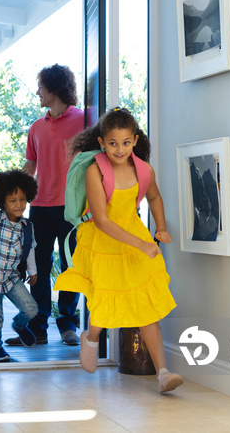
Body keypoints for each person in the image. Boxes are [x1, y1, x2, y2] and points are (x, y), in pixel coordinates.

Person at [54, 107, 183, 394]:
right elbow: (101, 220)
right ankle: (91, 337)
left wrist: (160, 228)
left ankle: (163, 372)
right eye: (112, 143)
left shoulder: (144, 170)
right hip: (102, 239)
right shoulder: (94, 170)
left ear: (135, 140)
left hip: (132, 234)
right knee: (104, 296)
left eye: (126, 142)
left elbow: (154, 196)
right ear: (101, 142)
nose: (120, 149)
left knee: (145, 305)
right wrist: (142, 243)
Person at [6, 64, 84, 347]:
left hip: (73, 208)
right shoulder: (36, 127)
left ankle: (67, 324)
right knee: (38, 266)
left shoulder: (84, 120)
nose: (37, 91)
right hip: (39, 207)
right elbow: (31, 165)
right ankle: (38, 327)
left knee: (70, 266)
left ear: (54, 87)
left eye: (40, 86)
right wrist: (11, 192)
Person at [0, 169, 40, 362]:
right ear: (2, 201)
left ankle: (20, 325)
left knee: (31, 309)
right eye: (13, 200)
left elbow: (30, 249)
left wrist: (33, 271)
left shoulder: (27, 226)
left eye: (22, 199)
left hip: (10, 277)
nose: (19, 204)